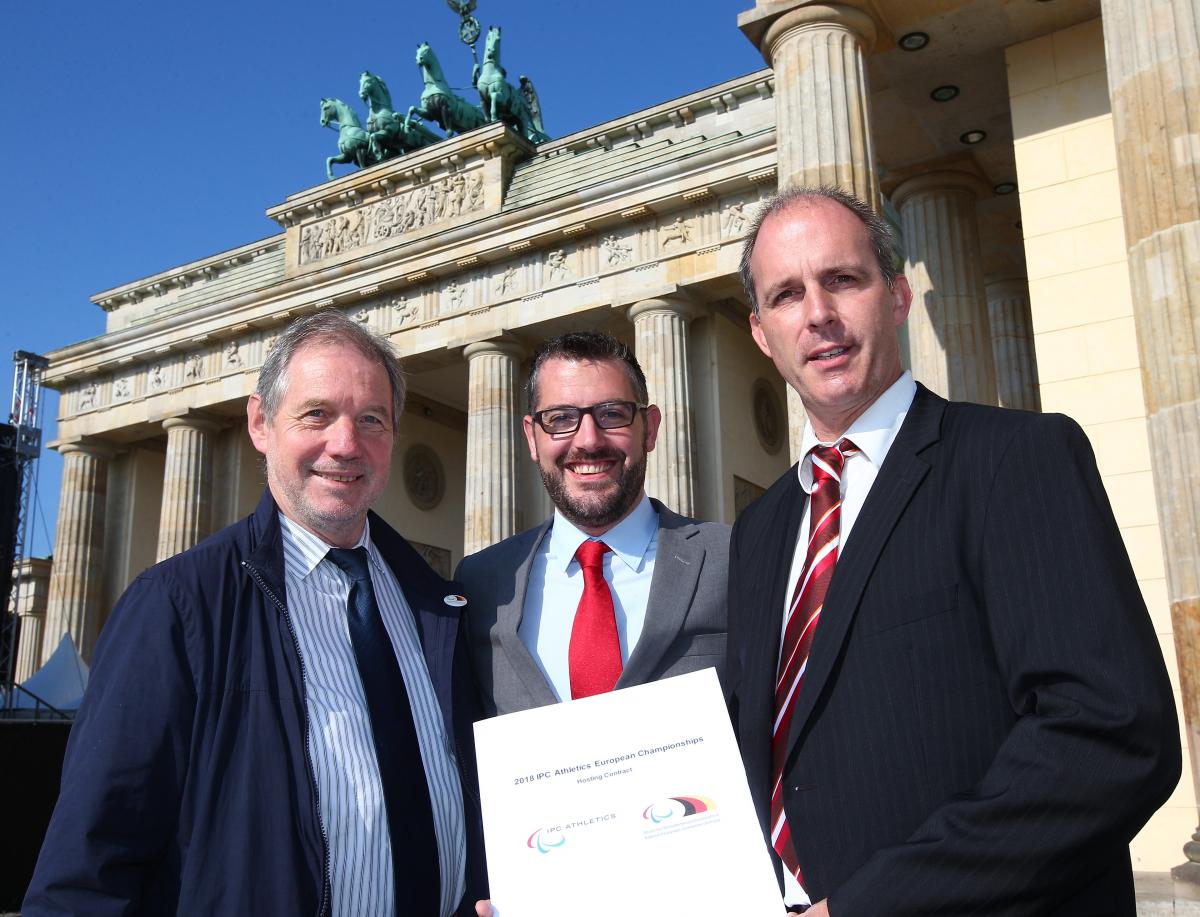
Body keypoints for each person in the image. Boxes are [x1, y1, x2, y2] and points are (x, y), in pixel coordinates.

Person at [726, 186, 1180, 916]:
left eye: (843, 279)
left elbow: (1111, 736)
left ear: (898, 295)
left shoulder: (1016, 459)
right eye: (787, 294)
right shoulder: (761, 529)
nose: (818, 314)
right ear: (761, 331)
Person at [25, 312, 486, 916]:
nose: (345, 444)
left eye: (370, 419)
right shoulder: (178, 606)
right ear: (261, 423)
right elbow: (88, 869)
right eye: (316, 414)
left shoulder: (437, 604)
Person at [456, 331, 728, 715]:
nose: (588, 440)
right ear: (532, 438)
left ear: (649, 428)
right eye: (560, 418)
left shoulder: (731, 558)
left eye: (612, 414)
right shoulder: (481, 582)